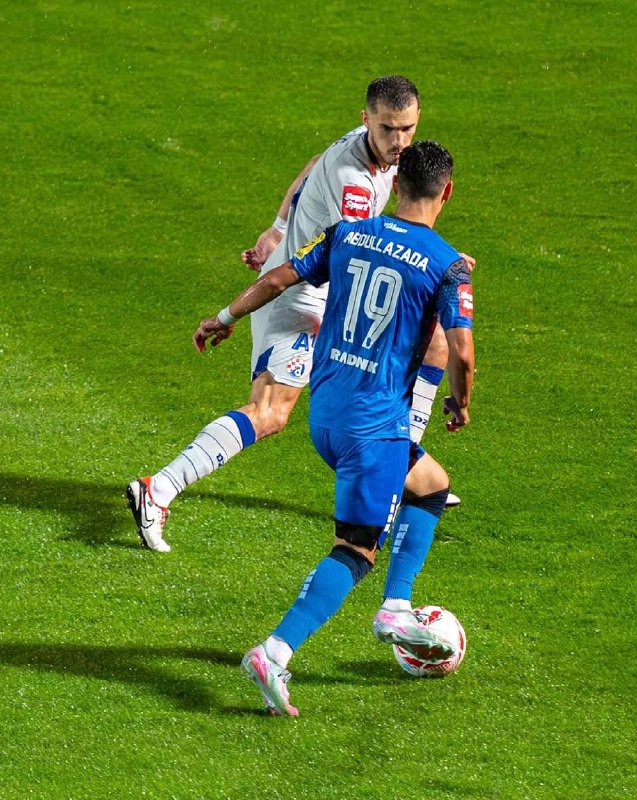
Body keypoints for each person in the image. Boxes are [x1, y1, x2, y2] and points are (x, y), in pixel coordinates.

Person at [191, 140, 474, 716]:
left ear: (396, 182)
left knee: (430, 486)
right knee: (356, 549)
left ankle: (396, 605)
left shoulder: (348, 233)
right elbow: (461, 351)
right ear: (446, 191)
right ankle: (276, 650)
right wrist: (459, 403)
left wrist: (223, 318)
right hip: (375, 427)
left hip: (325, 414)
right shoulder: (449, 265)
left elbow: (277, 279)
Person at [127, 76, 464, 554]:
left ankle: (396, 463)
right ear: (367, 119)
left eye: (407, 128)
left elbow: (312, 165)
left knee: (435, 342)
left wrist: (279, 226)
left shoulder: (368, 143)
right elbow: (361, 256)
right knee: (270, 411)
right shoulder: (354, 184)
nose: (399, 142)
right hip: (300, 296)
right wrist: (436, 261)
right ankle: (159, 488)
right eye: (388, 129)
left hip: (319, 282)